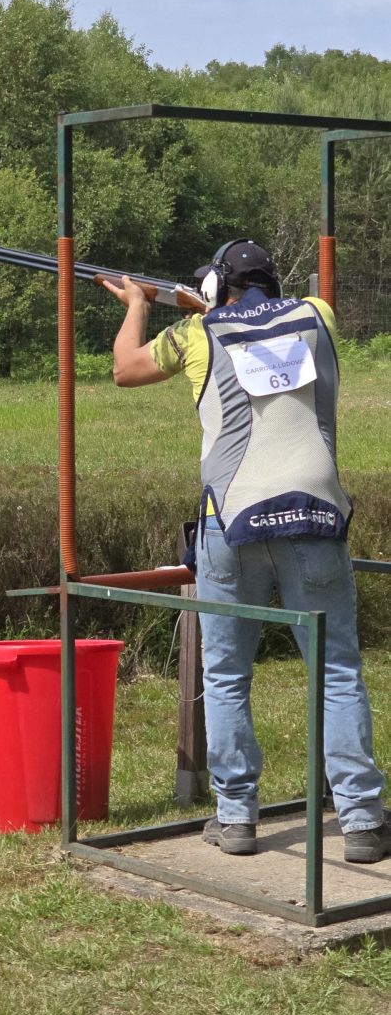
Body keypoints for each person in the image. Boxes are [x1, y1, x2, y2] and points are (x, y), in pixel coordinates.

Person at [103, 239, 389, 863]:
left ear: (214, 288)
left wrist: (138, 304)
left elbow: (125, 369)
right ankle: (363, 822)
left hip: (230, 522)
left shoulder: (195, 334)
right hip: (316, 515)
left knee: (228, 674)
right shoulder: (317, 314)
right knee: (337, 672)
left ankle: (236, 818)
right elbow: (265, 330)